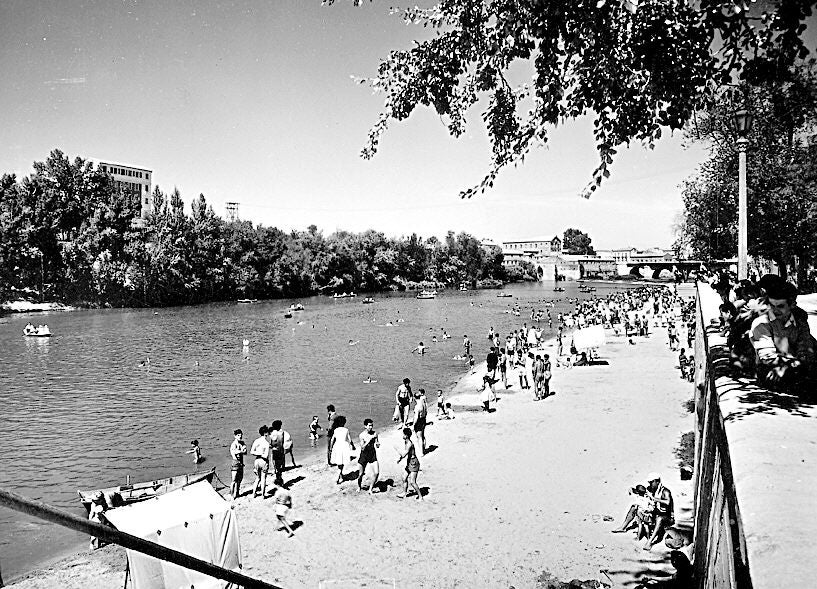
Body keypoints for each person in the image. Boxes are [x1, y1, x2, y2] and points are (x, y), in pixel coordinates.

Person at [749, 279, 815, 392]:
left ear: (792, 305)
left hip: (793, 367)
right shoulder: (761, 324)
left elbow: (805, 352)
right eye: (772, 305)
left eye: (780, 306)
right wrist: (789, 364)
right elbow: (767, 357)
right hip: (771, 369)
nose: (774, 310)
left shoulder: (800, 323)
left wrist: (788, 365)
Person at [397, 427, 422, 500]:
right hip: (409, 462)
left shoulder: (409, 444)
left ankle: (420, 496)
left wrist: (397, 449)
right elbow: (406, 454)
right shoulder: (406, 442)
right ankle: (404, 492)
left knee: (412, 482)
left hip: (414, 463)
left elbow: (404, 454)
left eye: (403, 434)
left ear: (406, 435)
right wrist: (400, 459)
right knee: (404, 477)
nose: (403, 435)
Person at [328, 416, 356, 484]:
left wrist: (330, 448)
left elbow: (332, 440)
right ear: (344, 423)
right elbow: (349, 439)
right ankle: (340, 475)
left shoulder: (336, 430)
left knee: (339, 461)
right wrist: (352, 446)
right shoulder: (346, 430)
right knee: (342, 461)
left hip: (337, 446)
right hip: (344, 446)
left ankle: (340, 475)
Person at [357, 418, 380, 494]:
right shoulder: (361, 435)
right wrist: (368, 441)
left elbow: (377, 444)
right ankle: (359, 486)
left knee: (376, 473)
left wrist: (377, 444)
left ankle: (370, 489)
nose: (371, 427)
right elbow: (362, 447)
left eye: (372, 425)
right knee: (360, 474)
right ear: (365, 426)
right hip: (364, 455)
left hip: (372, 454)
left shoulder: (375, 433)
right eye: (369, 426)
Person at [250, 425, 271, 498]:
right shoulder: (266, 443)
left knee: (258, 478)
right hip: (263, 461)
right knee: (263, 478)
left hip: (257, 461)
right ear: (266, 433)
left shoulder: (256, 441)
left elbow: (252, 451)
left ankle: (254, 493)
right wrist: (262, 453)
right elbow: (265, 455)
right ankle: (262, 494)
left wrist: (258, 453)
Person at [229, 429, 247, 499]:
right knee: (233, 480)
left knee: (240, 479)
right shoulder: (234, 444)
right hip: (235, 462)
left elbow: (245, 452)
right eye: (238, 435)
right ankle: (231, 495)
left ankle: (237, 493)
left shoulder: (242, 443)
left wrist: (241, 451)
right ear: (235, 436)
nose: (240, 436)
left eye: (241, 435)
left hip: (241, 462)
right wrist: (241, 451)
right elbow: (234, 453)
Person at [413, 389, 428, 455]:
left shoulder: (417, 407)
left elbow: (416, 417)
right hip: (423, 419)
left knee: (419, 437)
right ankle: (423, 449)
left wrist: (413, 425)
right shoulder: (423, 404)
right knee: (422, 435)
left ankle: (421, 452)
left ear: (414, 398)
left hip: (419, 421)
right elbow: (426, 412)